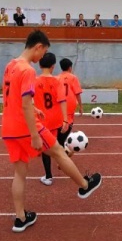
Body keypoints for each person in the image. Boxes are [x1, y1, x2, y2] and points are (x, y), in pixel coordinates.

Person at [1, 30, 102, 233]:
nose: (41, 57)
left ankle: (20, 218)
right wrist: (34, 134)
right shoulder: (28, 70)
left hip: (9, 127)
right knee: (58, 151)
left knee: (19, 173)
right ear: (38, 46)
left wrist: (34, 108)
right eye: (43, 51)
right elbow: (25, 104)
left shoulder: (10, 65)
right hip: (26, 127)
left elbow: (16, 97)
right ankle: (84, 185)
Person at [34, 52, 69, 186]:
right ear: (53, 66)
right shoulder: (57, 81)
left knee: (46, 149)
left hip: (41, 120)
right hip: (55, 120)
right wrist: (65, 119)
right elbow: (62, 100)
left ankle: (48, 176)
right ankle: (64, 161)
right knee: (54, 146)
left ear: (39, 64)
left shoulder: (34, 81)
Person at [58, 58, 84, 133]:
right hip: (70, 104)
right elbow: (77, 93)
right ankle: (63, 137)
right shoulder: (73, 77)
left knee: (61, 120)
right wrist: (81, 107)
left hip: (60, 104)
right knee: (68, 123)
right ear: (70, 67)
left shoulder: (57, 78)